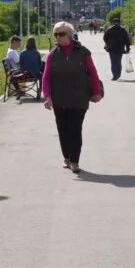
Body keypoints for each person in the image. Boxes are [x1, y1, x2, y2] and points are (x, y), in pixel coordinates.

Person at [41, 21, 104, 173]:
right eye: (55, 34)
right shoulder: (52, 56)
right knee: (63, 130)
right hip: (59, 99)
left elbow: (93, 73)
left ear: (69, 35)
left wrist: (96, 92)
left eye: (61, 34)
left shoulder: (83, 53)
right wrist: (47, 96)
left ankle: (75, 161)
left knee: (75, 130)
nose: (57, 37)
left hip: (79, 98)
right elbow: (46, 77)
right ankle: (67, 158)